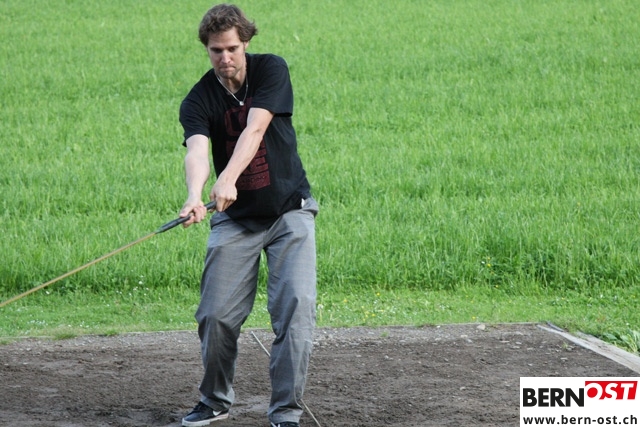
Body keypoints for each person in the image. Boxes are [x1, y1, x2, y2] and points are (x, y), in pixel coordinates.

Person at [176, 4, 318, 427]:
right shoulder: (198, 99)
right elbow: (197, 150)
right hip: (235, 219)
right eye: (216, 50)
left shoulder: (271, 69)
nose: (225, 58)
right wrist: (194, 195)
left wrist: (228, 178)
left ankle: (286, 413)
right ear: (206, 49)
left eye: (232, 48)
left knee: (296, 309)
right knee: (215, 316)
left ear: (246, 43)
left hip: (289, 212)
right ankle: (215, 400)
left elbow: (255, 128)